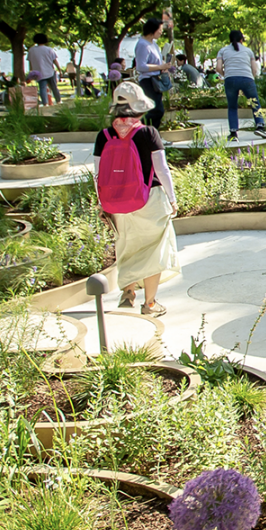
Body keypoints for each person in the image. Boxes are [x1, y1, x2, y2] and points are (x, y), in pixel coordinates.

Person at [95, 82, 179, 317]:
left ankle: (128, 294)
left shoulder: (103, 136)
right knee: (154, 250)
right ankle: (150, 304)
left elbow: (97, 174)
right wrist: (172, 199)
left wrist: (102, 203)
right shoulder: (148, 133)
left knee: (126, 246)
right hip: (149, 198)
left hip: (117, 203)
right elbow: (162, 170)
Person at [215, 31, 266, 139]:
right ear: (241, 39)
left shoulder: (223, 51)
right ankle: (260, 126)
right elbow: (254, 69)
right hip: (247, 78)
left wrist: (226, 75)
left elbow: (218, 68)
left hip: (230, 79)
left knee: (232, 106)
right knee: (255, 103)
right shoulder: (248, 51)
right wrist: (251, 78)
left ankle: (233, 132)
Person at [133, 17, 172, 128]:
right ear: (152, 30)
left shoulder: (153, 44)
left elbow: (157, 61)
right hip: (148, 81)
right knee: (156, 110)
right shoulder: (142, 45)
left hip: (156, 79)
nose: (161, 32)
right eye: (159, 29)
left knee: (158, 110)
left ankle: (153, 134)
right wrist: (160, 66)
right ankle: (138, 129)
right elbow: (141, 66)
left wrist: (164, 66)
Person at [28, 33, 61, 105]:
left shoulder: (31, 50)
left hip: (39, 72)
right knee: (54, 87)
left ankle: (45, 103)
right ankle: (58, 101)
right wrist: (59, 69)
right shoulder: (49, 49)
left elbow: (30, 62)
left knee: (42, 88)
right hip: (50, 71)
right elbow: (54, 60)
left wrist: (31, 71)